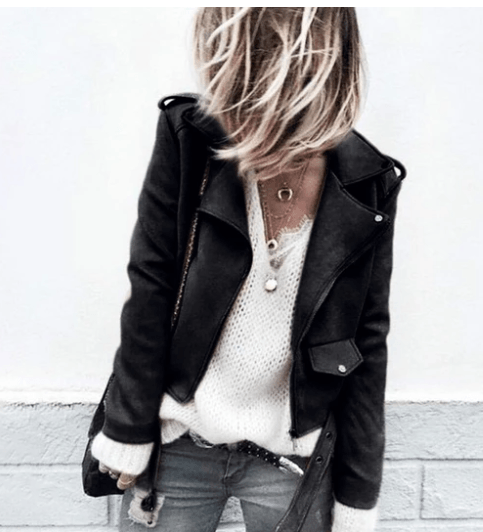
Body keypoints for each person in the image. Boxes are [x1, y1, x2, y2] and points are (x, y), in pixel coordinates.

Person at [91, 7, 406, 532]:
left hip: (292, 460)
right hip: (179, 445)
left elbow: (366, 343)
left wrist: (358, 495)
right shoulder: (190, 140)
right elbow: (151, 286)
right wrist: (127, 427)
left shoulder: (368, 182)